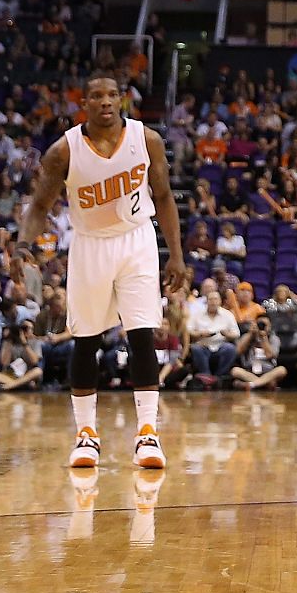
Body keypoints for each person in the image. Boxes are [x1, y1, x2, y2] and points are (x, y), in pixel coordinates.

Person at [20, 76, 187, 466]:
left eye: (112, 94)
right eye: (96, 96)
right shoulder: (64, 149)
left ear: (122, 100)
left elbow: (163, 197)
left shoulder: (147, 140)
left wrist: (176, 255)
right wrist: (22, 245)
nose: (106, 102)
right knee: (86, 339)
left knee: (143, 333)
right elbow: (40, 205)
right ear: (84, 102)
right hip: (89, 243)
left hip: (137, 240)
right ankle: (86, 435)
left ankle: (147, 434)